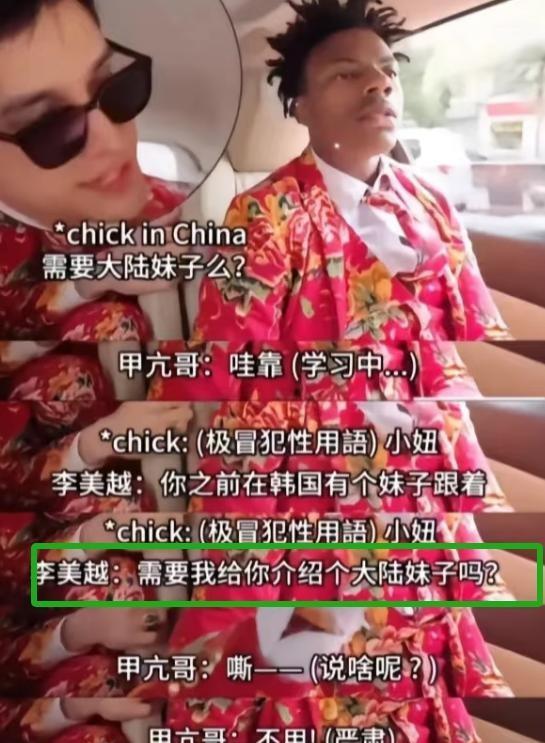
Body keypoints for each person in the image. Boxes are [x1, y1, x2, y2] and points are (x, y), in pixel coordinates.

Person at [193, 0, 510, 343]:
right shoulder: (262, 214)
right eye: (346, 73)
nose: (381, 82)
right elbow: (230, 356)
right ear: (301, 107)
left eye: (390, 72)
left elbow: (484, 330)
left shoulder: (432, 201)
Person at [0, 0, 188, 341]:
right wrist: (94, 278)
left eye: (112, 87)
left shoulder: (177, 206)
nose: (112, 140)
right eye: (48, 124)